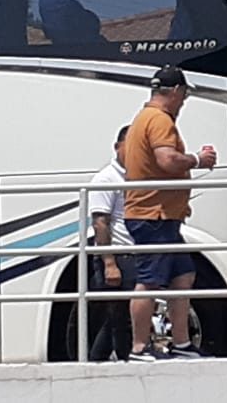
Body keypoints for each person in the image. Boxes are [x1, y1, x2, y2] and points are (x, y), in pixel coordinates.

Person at [123, 65, 217, 362]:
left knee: (183, 275)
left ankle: (181, 344)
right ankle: (139, 347)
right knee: (149, 281)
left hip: (160, 215)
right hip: (154, 216)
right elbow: (167, 160)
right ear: (176, 91)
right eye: (185, 94)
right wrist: (198, 160)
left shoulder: (143, 118)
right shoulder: (159, 120)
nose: (184, 101)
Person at [87, 125, 134, 361]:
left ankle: (97, 361)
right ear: (117, 147)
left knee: (117, 316)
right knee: (119, 317)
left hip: (130, 255)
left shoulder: (134, 176)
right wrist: (109, 263)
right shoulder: (106, 178)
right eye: (130, 144)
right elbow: (100, 223)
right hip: (117, 256)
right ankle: (126, 359)